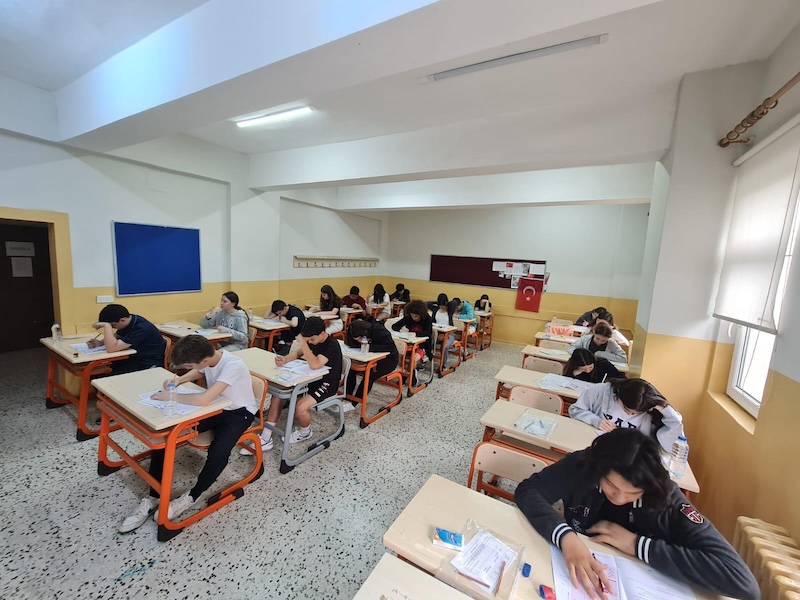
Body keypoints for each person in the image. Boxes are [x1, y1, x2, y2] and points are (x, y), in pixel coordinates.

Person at [514, 429, 759, 600]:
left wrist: (637, 545)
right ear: (599, 470)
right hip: (570, 575)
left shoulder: (667, 500)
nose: (619, 498)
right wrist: (566, 537)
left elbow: (744, 583)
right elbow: (528, 490)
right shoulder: (583, 465)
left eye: (632, 493)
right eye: (611, 485)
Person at [118, 335, 257, 532]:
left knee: (218, 452)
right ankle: (154, 495)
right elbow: (198, 371)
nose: (190, 368)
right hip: (218, 406)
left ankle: (193, 495)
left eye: (190, 365)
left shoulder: (233, 364)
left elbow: (203, 400)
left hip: (239, 412)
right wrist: (179, 380)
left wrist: (170, 396)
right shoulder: (210, 357)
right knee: (167, 436)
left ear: (205, 360)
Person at [242, 316, 343, 454]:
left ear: (322, 333)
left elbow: (315, 364)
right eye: (308, 340)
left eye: (312, 339)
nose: (310, 342)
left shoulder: (332, 345)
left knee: (300, 407)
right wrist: (285, 359)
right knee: (278, 393)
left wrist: (303, 343)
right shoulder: (312, 339)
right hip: (309, 379)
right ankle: (266, 437)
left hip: (327, 384)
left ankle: (305, 432)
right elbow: (297, 354)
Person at [569, 377, 684, 453]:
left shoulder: (653, 412)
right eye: (626, 408)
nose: (629, 414)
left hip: (627, 459)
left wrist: (665, 408)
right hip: (593, 447)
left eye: (636, 413)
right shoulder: (602, 391)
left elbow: (673, 444)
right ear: (619, 395)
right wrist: (596, 420)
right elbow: (575, 410)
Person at [87, 304, 165, 374]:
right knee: (99, 370)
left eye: (113, 325)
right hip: (134, 358)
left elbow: (111, 348)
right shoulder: (129, 320)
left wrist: (107, 326)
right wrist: (100, 342)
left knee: (105, 375)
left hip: (148, 362)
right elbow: (117, 336)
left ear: (122, 320)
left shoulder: (141, 328)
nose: (113, 328)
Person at [345, 318, 399, 399]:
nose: (359, 341)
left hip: (388, 360)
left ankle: (356, 401)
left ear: (365, 332)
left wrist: (369, 347)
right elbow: (350, 343)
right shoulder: (354, 331)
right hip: (369, 359)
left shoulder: (379, 331)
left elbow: (390, 347)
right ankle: (347, 397)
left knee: (369, 376)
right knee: (351, 370)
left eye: (360, 338)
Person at [391, 299, 433, 366]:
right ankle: (404, 371)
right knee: (398, 356)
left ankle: (412, 372)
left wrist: (415, 334)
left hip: (422, 345)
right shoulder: (408, 317)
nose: (414, 318)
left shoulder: (426, 318)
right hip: (409, 344)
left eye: (416, 316)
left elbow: (428, 333)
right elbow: (394, 326)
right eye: (412, 315)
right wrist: (401, 330)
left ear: (421, 314)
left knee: (413, 359)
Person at [431, 293, 457, 368]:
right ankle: (425, 359)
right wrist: (437, 303)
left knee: (444, 346)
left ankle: (443, 364)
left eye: (443, 305)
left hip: (449, 334)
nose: (442, 307)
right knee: (427, 342)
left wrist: (446, 303)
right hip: (437, 333)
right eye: (440, 305)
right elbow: (426, 304)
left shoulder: (450, 310)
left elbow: (454, 302)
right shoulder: (435, 310)